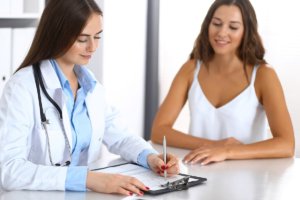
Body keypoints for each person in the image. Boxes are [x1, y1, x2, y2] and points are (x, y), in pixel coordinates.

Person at [0, 0, 179, 196]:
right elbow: (9, 170)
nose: (93, 47)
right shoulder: (21, 87)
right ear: (56, 35)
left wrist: (151, 157)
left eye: (97, 37)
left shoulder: (90, 84)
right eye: (82, 39)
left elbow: (120, 135)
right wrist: (87, 179)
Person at [151, 0, 294, 165]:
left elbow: (287, 144)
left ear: (247, 31)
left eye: (233, 27)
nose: (221, 32)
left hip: (249, 179)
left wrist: (227, 151)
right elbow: (158, 131)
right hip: (198, 175)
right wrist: (214, 146)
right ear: (207, 25)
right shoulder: (190, 69)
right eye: (216, 24)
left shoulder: (263, 75)